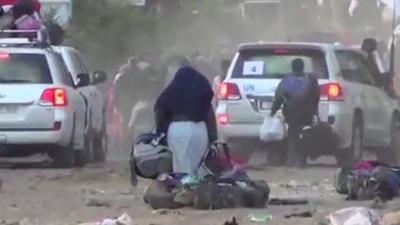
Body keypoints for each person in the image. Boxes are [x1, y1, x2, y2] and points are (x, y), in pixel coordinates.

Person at [154, 66, 217, 176]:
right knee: (197, 164)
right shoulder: (201, 91)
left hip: (177, 131)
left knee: (180, 165)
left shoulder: (171, 91)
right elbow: (209, 115)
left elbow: (159, 110)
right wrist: (213, 138)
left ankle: (183, 188)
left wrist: (160, 130)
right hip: (199, 130)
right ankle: (195, 188)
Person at [270, 58, 320, 167]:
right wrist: (315, 112)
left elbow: (278, 98)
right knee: (305, 135)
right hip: (307, 113)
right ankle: (302, 160)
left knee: (292, 136)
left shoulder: (287, 80)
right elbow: (316, 96)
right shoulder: (311, 80)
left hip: (291, 113)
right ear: (303, 67)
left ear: (292, 67)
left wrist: (273, 111)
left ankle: (291, 160)